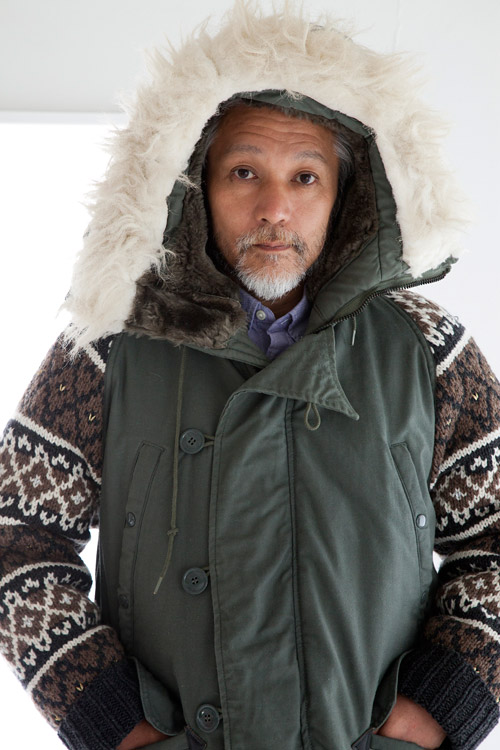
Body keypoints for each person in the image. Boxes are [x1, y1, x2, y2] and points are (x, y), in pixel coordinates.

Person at [1, 4, 499, 750]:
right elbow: (17, 535)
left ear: (346, 196)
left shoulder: (428, 348)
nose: (275, 209)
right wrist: (116, 725)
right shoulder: (109, 345)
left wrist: (436, 711)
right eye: (244, 172)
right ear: (194, 187)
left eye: (305, 176)